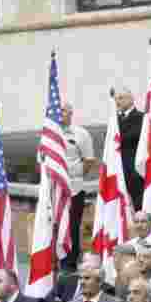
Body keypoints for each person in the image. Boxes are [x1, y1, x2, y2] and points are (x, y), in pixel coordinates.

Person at [61, 102, 96, 272]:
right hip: (54, 190)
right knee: (54, 226)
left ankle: (70, 263)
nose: (60, 114)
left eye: (63, 111)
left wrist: (75, 175)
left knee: (72, 226)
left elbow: (89, 160)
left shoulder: (81, 134)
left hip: (74, 188)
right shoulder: (48, 135)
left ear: (71, 113)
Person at [114, 88, 145, 213]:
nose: (117, 102)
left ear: (131, 100)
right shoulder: (115, 120)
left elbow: (133, 137)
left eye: (121, 98)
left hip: (135, 171)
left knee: (139, 206)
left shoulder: (141, 118)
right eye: (116, 99)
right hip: (118, 170)